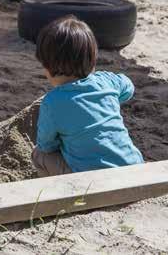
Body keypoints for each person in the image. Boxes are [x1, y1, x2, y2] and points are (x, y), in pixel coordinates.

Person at [32, 16, 143, 177]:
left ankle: (56, 194)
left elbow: (46, 146)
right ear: (92, 59)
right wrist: (109, 99)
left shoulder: (52, 102)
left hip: (94, 183)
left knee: (39, 155)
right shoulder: (106, 81)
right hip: (135, 171)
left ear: (48, 67)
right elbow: (128, 87)